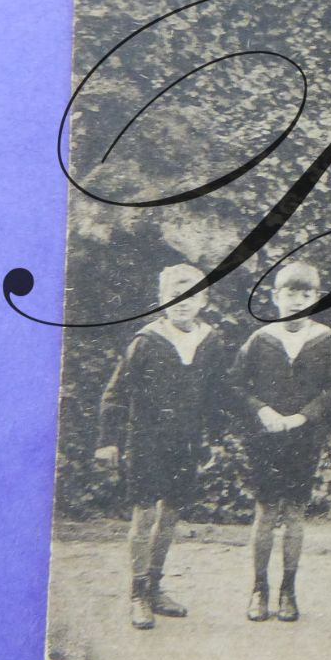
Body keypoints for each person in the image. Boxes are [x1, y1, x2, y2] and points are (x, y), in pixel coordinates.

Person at [94, 263, 228, 630]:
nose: (181, 302)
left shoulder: (211, 342)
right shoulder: (146, 341)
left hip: (185, 442)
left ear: (203, 299)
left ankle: (155, 586)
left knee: (170, 512)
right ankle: (137, 592)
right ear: (162, 299)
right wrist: (109, 441)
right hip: (146, 439)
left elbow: (216, 397)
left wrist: (213, 441)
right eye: (173, 295)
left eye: (190, 295)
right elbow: (116, 394)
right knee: (144, 513)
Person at [232, 261, 331, 623]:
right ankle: (258, 589)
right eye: (290, 293)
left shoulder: (326, 341)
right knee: (265, 511)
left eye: (305, 294)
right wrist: (261, 410)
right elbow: (236, 385)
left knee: (295, 512)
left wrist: (304, 416)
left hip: (303, 438)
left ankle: (288, 591)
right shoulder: (259, 339)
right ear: (275, 297)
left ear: (316, 298)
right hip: (265, 438)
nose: (297, 301)